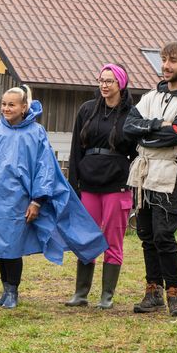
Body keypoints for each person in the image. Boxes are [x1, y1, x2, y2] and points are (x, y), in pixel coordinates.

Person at [0, 85, 107, 309]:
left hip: (19, 202)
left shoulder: (36, 133)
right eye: (4, 104)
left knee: (12, 246)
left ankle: (13, 291)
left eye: (12, 104)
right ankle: (5, 290)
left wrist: (37, 200)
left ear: (24, 107)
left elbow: (44, 169)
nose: (6, 108)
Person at [124, 42, 177, 317]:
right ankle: (153, 292)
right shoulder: (151, 97)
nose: (166, 65)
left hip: (171, 170)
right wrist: (154, 126)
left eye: (172, 60)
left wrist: (150, 131)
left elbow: (175, 135)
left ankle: (175, 292)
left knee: (163, 233)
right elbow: (128, 127)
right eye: (163, 60)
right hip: (146, 170)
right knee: (146, 232)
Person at [64, 64, 137, 309]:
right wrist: (73, 184)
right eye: (101, 80)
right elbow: (76, 149)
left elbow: (137, 153)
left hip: (117, 184)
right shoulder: (87, 110)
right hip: (89, 183)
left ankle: (107, 295)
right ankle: (81, 293)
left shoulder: (132, 113)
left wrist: (132, 182)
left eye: (110, 81)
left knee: (113, 239)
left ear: (121, 84)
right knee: (86, 238)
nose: (104, 85)